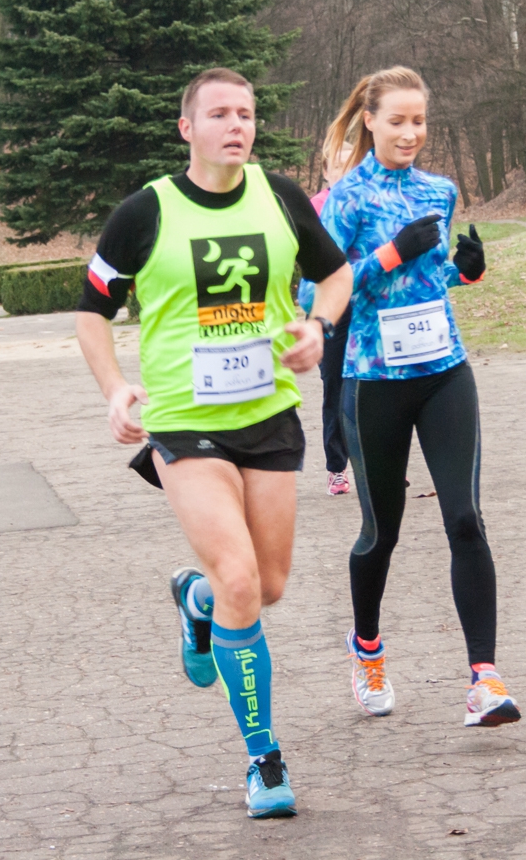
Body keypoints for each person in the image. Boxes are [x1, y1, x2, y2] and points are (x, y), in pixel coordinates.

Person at [75, 68, 352, 819]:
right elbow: (91, 311)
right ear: (186, 128)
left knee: (265, 587)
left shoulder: (282, 197)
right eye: (221, 113)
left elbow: (337, 275)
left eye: (248, 113)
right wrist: (115, 388)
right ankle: (264, 759)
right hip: (184, 420)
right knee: (238, 576)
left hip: (268, 414)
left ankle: (196, 602)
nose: (238, 125)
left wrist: (317, 326)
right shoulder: (146, 212)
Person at [316, 67, 511, 729]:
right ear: (368, 120)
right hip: (373, 383)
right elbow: (323, 294)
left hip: (444, 370)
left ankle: (484, 678)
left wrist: (467, 268)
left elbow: (435, 278)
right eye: (397, 120)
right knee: (382, 532)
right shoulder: (345, 200)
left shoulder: (440, 189)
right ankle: (367, 648)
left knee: (465, 517)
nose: (410, 132)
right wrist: (390, 255)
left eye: (419, 120)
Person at [298, 125, 358, 496]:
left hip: (367, 306)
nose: (345, 170)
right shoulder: (314, 208)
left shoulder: (371, 201)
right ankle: (337, 468)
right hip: (329, 311)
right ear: (326, 171)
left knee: (372, 389)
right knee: (334, 388)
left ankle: (376, 462)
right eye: (338, 164)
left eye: (351, 162)